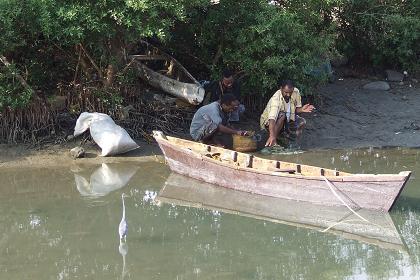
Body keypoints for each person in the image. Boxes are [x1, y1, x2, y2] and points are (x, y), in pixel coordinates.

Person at [260, 80, 315, 147]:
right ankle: (273, 141)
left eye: (290, 92)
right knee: (282, 115)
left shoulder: (296, 92)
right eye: (286, 92)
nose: (288, 95)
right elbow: (272, 119)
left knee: (302, 122)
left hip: (287, 119)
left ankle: (292, 143)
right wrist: (272, 136)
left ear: (293, 89)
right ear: (281, 89)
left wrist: (302, 109)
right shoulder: (276, 99)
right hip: (268, 123)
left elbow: (296, 110)